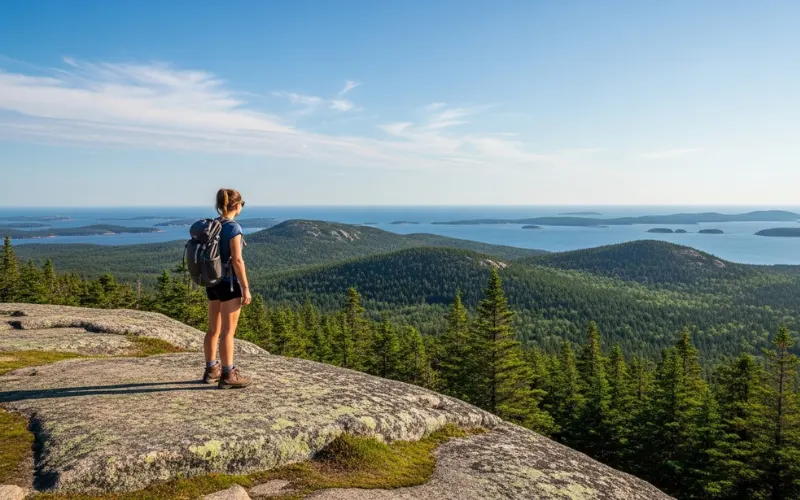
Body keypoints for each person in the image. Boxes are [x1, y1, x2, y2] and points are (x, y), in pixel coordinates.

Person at [202, 188, 253, 389]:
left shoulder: (213, 225)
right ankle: (228, 374)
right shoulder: (233, 228)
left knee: (213, 330)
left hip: (212, 282)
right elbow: (237, 260)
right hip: (229, 283)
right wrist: (245, 287)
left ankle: (211, 369)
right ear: (237, 205)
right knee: (228, 332)